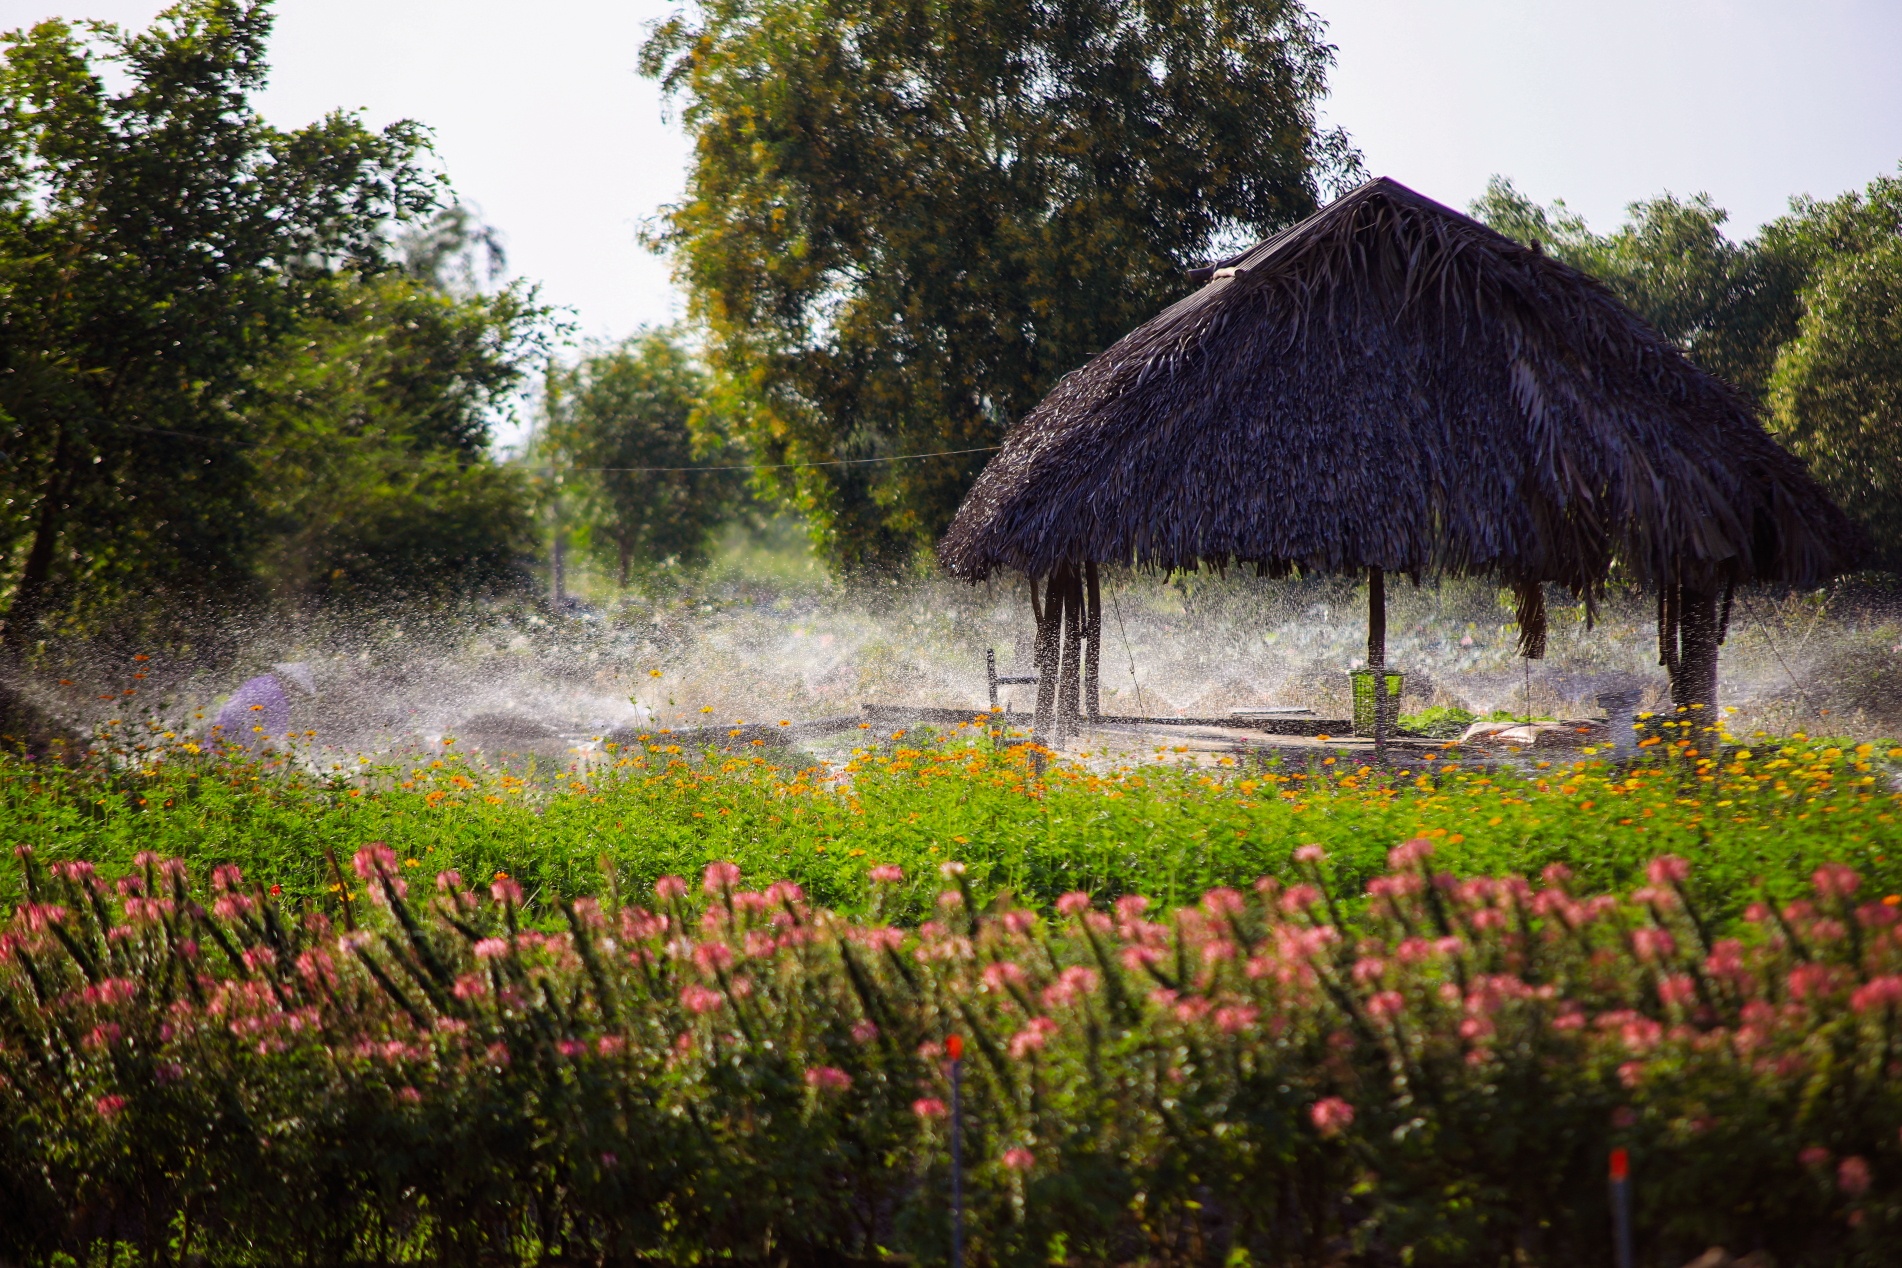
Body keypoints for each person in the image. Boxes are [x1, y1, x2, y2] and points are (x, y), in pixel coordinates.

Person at [212, 662, 315, 751]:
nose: (297, 694)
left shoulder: (262, 681)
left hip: (220, 726)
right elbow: (274, 738)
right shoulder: (278, 698)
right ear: (293, 683)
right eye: (299, 690)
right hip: (238, 736)